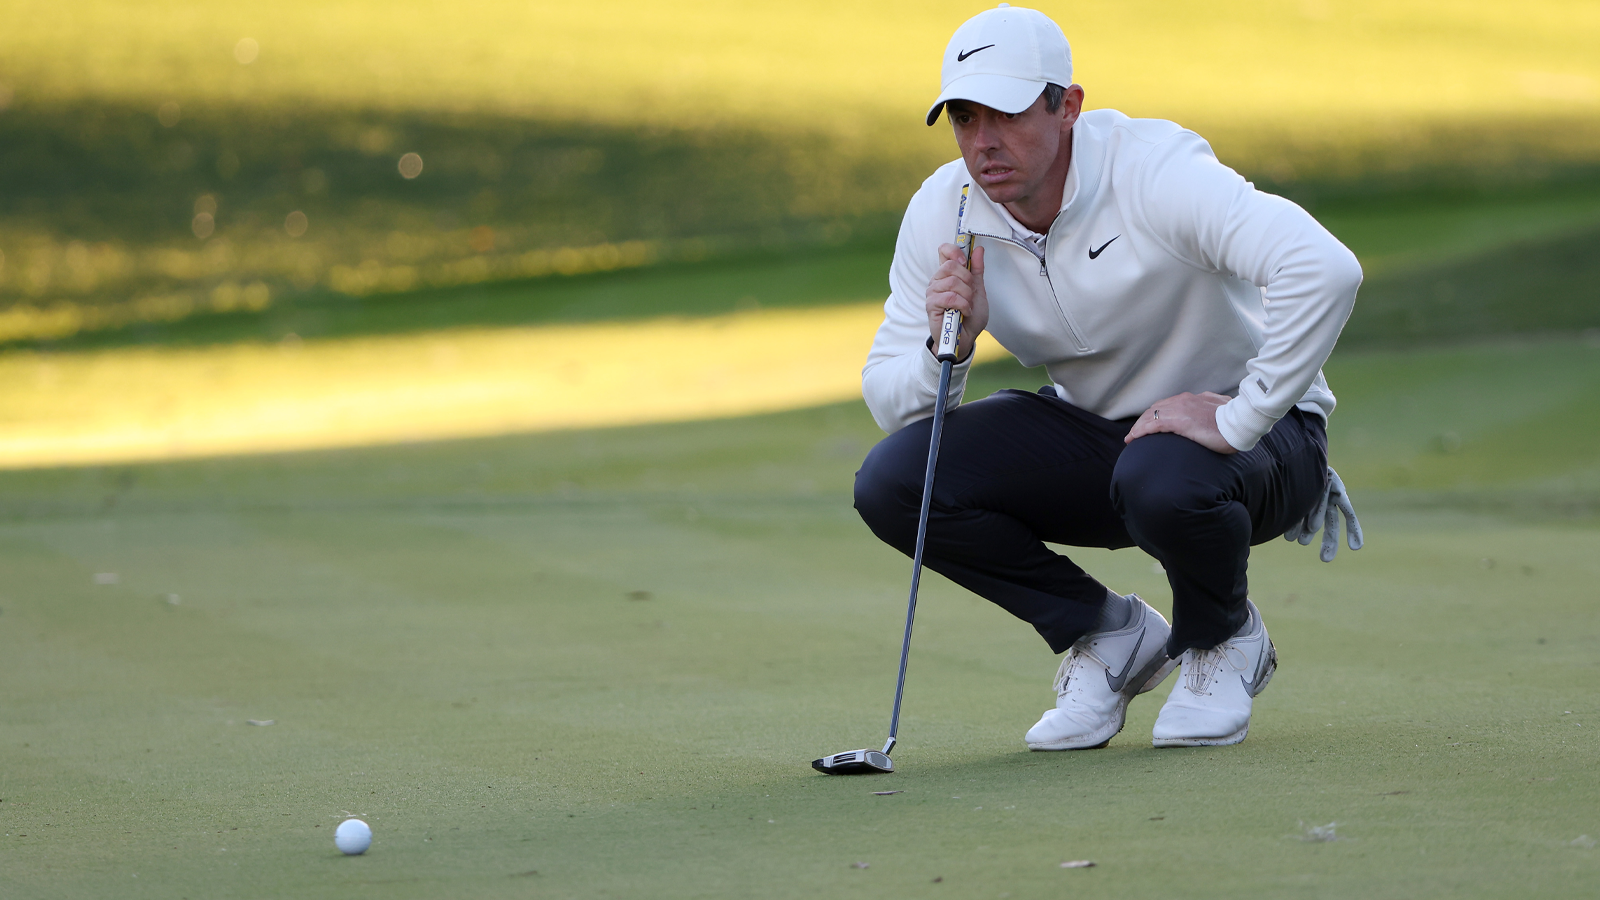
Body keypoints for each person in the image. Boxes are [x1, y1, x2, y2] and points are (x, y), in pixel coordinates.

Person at [853, 3, 1363, 749]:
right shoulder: (947, 209)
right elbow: (889, 399)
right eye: (964, 118)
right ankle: (1110, 633)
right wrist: (946, 349)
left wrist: (1241, 417)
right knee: (895, 481)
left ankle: (1223, 638)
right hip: (1107, 441)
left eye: (1007, 114)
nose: (984, 141)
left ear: (1068, 106)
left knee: (1163, 474)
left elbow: (1324, 268)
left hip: (1259, 442)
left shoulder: (1151, 170)